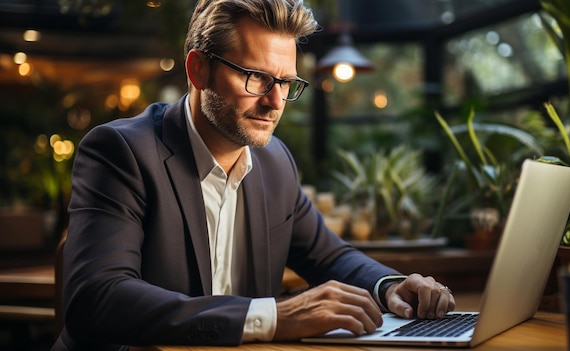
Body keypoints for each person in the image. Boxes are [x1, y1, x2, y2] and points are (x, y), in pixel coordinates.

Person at [52, 0, 455, 349]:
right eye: (257, 77)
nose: (275, 101)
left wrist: (391, 287)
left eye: (286, 82)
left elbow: (329, 255)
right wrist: (272, 316)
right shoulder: (122, 152)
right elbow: (96, 300)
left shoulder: (275, 162)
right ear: (198, 70)